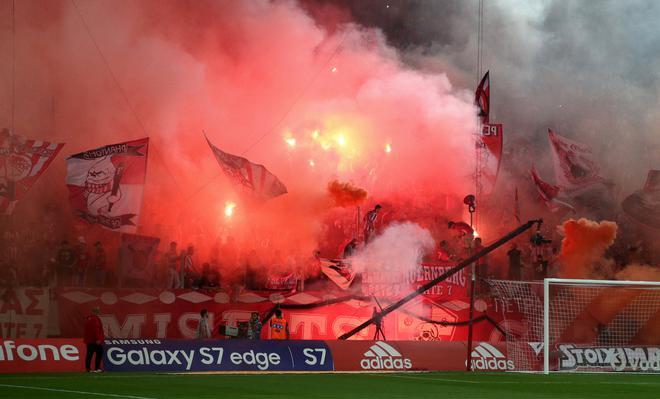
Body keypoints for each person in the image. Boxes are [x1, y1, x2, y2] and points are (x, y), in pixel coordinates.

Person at [84, 307, 104, 372]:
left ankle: (88, 368)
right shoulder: (95, 319)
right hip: (95, 340)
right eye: (98, 311)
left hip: (89, 340)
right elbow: (96, 329)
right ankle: (97, 368)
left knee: (89, 354)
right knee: (99, 353)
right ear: (96, 312)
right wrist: (98, 339)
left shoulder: (88, 319)